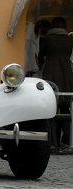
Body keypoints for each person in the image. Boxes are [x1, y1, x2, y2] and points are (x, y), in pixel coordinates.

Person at [38, 17, 73, 150]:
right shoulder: (69, 39)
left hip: (51, 73)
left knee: (52, 108)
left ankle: (53, 141)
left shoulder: (48, 39)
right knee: (65, 107)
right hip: (66, 73)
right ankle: (67, 140)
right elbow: (68, 54)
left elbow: (41, 56)